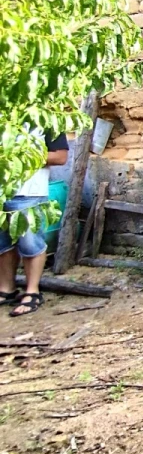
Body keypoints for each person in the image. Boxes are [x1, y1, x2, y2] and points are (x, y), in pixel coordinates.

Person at [0, 133, 69, 317]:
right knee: (3, 244)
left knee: (30, 244)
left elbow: (60, 156)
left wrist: (22, 157)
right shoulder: (5, 114)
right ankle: (7, 289)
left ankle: (32, 292)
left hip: (29, 192)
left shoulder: (44, 117)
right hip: (2, 191)